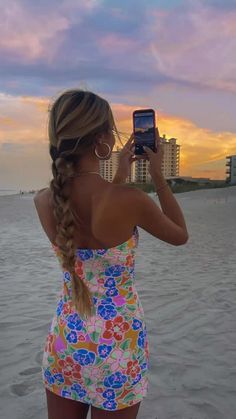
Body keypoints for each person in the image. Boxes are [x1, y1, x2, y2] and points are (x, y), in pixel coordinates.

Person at [33, 89, 188, 419]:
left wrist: (118, 173)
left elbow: (89, 224)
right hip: (118, 346)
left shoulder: (45, 200)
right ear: (102, 138)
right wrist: (158, 173)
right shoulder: (129, 201)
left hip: (66, 340)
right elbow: (180, 235)